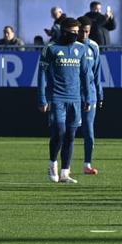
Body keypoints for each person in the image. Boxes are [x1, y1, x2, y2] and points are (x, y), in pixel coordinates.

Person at [38, 17, 94, 184]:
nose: (76, 35)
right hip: (57, 97)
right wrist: (42, 98)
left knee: (70, 135)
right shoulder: (51, 49)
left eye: (77, 32)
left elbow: (85, 75)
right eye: (73, 33)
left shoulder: (81, 49)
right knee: (59, 132)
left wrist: (88, 97)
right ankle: (53, 163)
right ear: (63, 32)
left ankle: (65, 173)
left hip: (75, 99)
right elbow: (41, 75)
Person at [76, 21, 105, 176]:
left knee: (89, 131)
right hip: (73, 94)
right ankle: (64, 166)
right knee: (69, 130)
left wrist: (99, 94)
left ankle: (87, 164)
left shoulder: (93, 46)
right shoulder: (71, 46)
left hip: (90, 95)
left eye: (86, 31)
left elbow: (97, 73)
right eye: (81, 31)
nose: (83, 35)